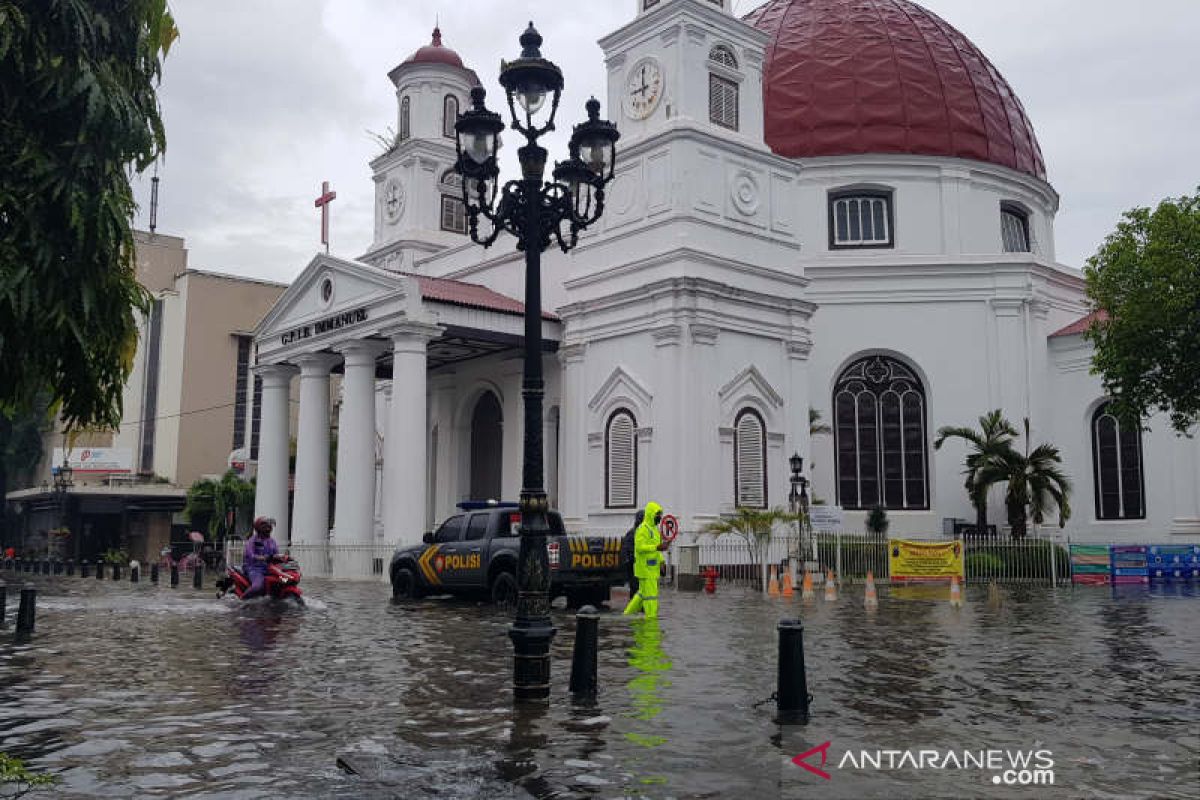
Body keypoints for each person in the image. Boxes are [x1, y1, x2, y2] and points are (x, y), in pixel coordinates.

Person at [623, 501, 669, 620]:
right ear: (650, 514)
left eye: (660, 515)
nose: (659, 517)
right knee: (651, 596)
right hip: (644, 569)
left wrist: (662, 562)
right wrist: (656, 547)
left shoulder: (654, 530)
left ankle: (627, 615)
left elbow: (657, 549)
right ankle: (651, 618)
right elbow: (640, 547)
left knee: (642, 594)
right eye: (657, 515)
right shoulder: (642, 529)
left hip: (652, 569)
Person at [242, 516, 280, 599]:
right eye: (265, 527)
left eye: (269, 527)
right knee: (257, 587)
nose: (268, 529)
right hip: (254, 569)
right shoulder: (252, 540)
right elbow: (250, 554)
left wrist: (284, 558)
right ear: (259, 528)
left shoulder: (272, 541)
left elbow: (276, 554)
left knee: (283, 580)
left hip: (270, 569)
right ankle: (241, 601)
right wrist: (262, 558)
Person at [620, 508, 644, 598]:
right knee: (635, 588)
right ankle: (634, 607)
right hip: (634, 566)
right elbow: (627, 550)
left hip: (643, 567)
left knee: (641, 589)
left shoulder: (643, 533)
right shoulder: (632, 533)